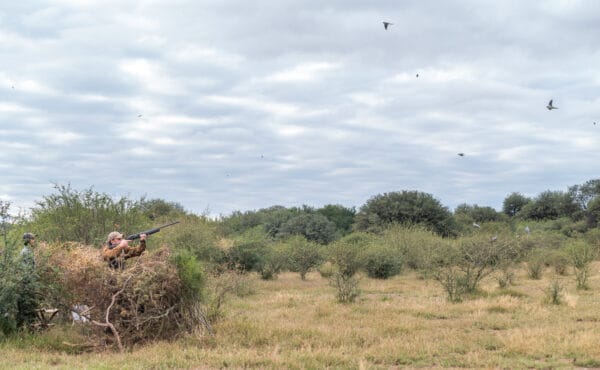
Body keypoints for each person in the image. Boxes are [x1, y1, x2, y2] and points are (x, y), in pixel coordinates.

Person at [17, 232, 38, 328]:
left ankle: (30, 324)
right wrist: (30, 281)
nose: (34, 240)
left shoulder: (29, 251)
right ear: (28, 240)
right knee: (28, 304)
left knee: (32, 303)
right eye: (32, 238)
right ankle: (27, 326)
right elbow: (25, 269)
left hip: (30, 281)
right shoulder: (25, 252)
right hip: (27, 282)